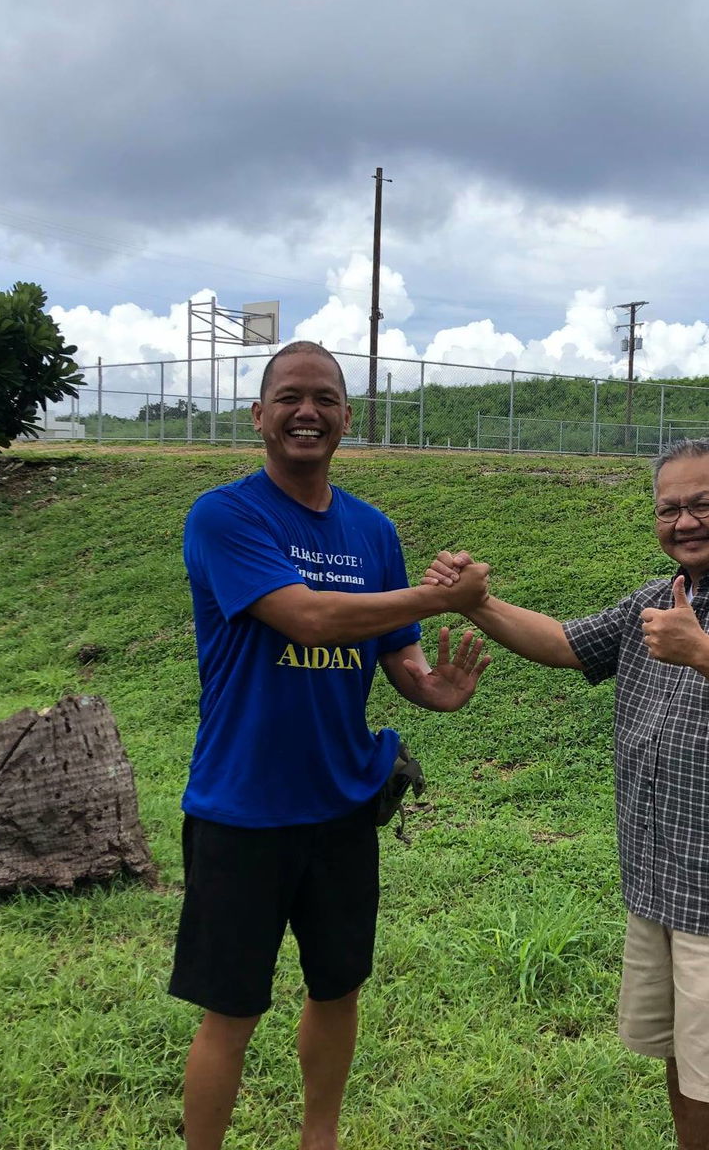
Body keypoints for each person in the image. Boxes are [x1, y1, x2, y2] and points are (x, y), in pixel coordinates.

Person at [426, 438, 709, 1150]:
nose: (685, 521)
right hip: (662, 886)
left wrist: (702, 650)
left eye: (702, 503)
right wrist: (479, 603)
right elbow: (565, 642)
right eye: (668, 509)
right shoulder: (658, 599)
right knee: (687, 1062)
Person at [171, 340, 492, 1150]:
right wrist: (439, 592)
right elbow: (308, 616)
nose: (306, 411)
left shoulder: (372, 531)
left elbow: (398, 653)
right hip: (242, 806)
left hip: (342, 806)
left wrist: (432, 688)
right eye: (289, 397)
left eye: (325, 398)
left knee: (337, 989)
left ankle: (322, 1139)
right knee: (233, 1009)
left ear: (348, 419)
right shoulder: (224, 516)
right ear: (259, 415)